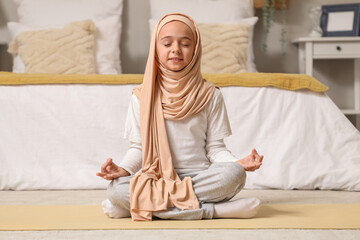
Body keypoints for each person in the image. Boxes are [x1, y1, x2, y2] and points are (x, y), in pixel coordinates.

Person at [96, 13, 263, 221]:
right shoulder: (141, 96)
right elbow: (138, 148)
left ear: (196, 49)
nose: (175, 49)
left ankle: (143, 207)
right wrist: (122, 169)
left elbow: (216, 149)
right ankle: (214, 211)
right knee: (115, 189)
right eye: (166, 44)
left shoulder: (211, 94)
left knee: (234, 175)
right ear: (155, 49)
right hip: (156, 177)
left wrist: (238, 162)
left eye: (185, 43)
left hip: (200, 177)